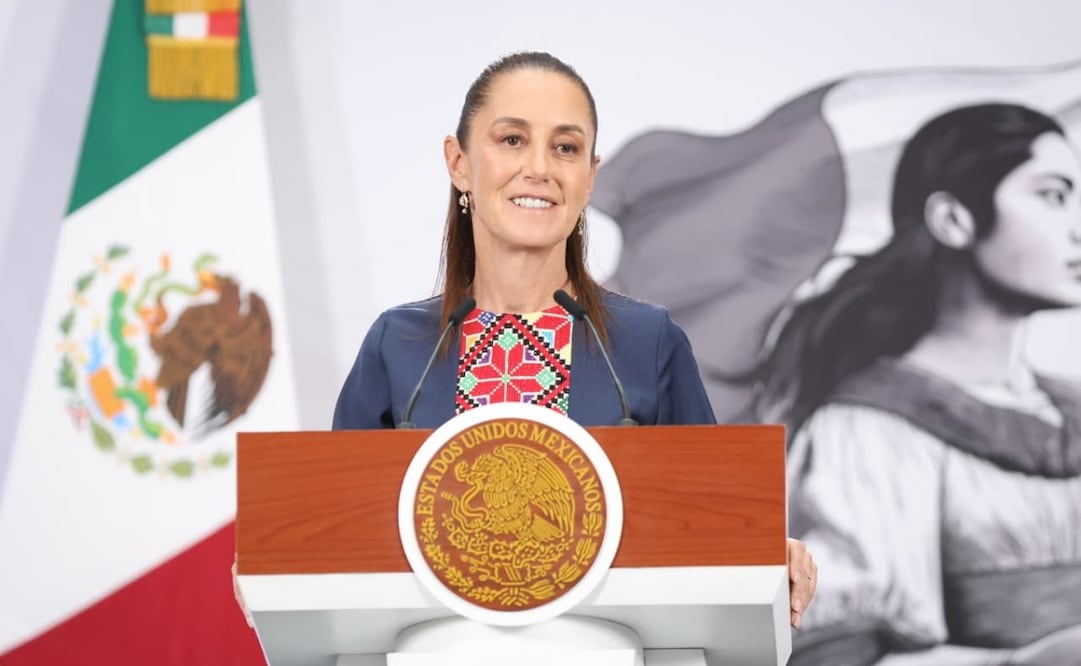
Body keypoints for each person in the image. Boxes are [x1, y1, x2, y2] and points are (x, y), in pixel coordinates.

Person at [330, 51, 817, 627]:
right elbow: (337, 532)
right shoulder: (398, 344)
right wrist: (272, 564)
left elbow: (708, 528)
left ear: (589, 176)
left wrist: (764, 555)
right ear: (459, 163)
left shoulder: (648, 341)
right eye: (512, 140)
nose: (539, 167)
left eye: (565, 148)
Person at [756, 103, 1081, 664]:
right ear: (954, 219)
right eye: (1053, 196)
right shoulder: (867, 429)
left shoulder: (1067, 408)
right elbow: (841, 649)